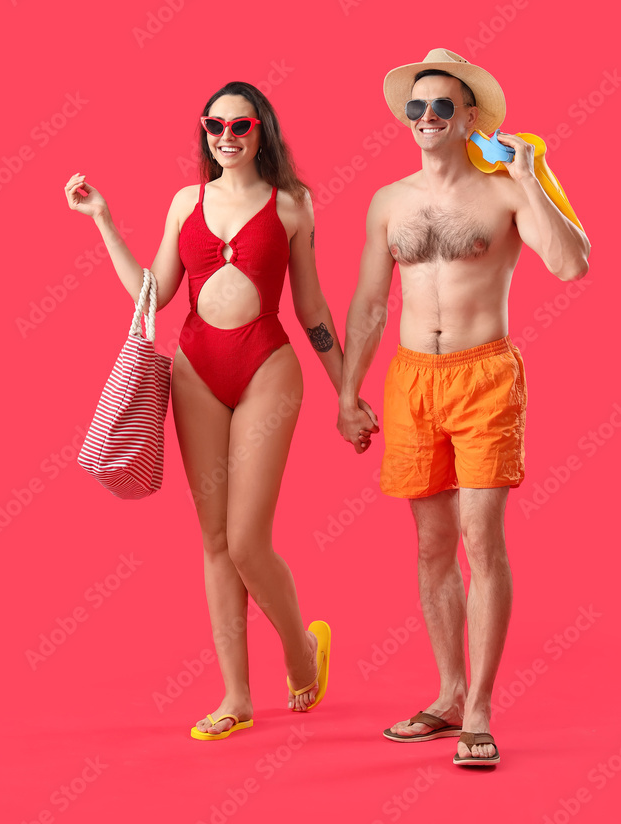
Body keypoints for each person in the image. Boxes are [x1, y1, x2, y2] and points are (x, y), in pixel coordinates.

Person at [65, 81, 376, 739]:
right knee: (212, 542)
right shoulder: (186, 202)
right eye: (215, 126)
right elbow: (152, 294)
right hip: (194, 371)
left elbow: (312, 309)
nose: (226, 137)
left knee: (245, 539)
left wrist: (346, 394)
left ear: (262, 130)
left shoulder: (293, 204)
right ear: (204, 132)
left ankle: (300, 651)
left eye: (240, 126)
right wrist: (103, 221)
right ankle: (235, 697)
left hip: (267, 365)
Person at [337, 49, 590, 766]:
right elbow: (368, 303)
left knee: (480, 541)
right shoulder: (388, 200)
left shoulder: (506, 192)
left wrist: (528, 175)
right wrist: (347, 391)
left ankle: (479, 705)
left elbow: (572, 264)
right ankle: (447, 694)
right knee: (430, 546)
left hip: (483, 379)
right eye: (414, 108)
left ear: (467, 116)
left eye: (439, 107)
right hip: (411, 380)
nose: (423, 119)